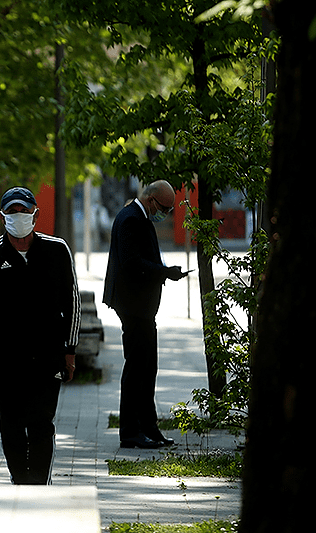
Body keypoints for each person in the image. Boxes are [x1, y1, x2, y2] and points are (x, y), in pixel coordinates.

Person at [0, 186, 81, 485]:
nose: (18, 217)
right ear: (2, 217)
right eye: (12, 212)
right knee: (11, 425)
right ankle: (20, 481)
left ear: (35, 214)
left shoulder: (56, 250)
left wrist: (70, 349)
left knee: (42, 424)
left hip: (48, 354)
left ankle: (38, 486)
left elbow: (72, 301)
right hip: (5, 356)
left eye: (24, 211)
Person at [103, 180, 187, 449]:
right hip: (134, 307)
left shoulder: (138, 216)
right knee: (137, 368)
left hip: (141, 308)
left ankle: (149, 428)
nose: (166, 213)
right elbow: (132, 263)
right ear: (151, 200)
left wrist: (163, 270)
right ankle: (131, 432)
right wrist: (165, 272)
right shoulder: (131, 219)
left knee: (147, 367)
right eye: (164, 207)